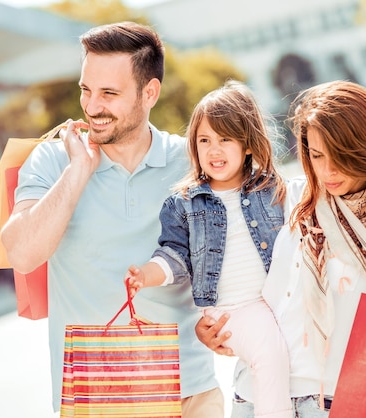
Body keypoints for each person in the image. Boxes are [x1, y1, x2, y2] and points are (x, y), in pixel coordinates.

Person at [0, 22, 222, 417]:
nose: (92, 106)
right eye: (86, 89)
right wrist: (78, 171)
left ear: (149, 92)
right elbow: (21, 253)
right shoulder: (53, 161)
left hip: (190, 392)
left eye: (109, 93)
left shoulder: (190, 162)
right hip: (95, 397)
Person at [197, 80, 366, 417]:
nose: (328, 171)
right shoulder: (290, 199)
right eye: (317, 155)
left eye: (340, 157)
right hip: (256, 393)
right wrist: (212, 327)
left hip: (331, 402)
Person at [125, 80, 291, 418]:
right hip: (232, 309)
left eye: (225, 139)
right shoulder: (185, 203)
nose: (214, 150)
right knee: (269, 355)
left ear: (247, 144)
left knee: (282, 354)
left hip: (275, 302)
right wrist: (146, 275)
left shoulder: (271, 188)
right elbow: (173, 255)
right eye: (205, 141)